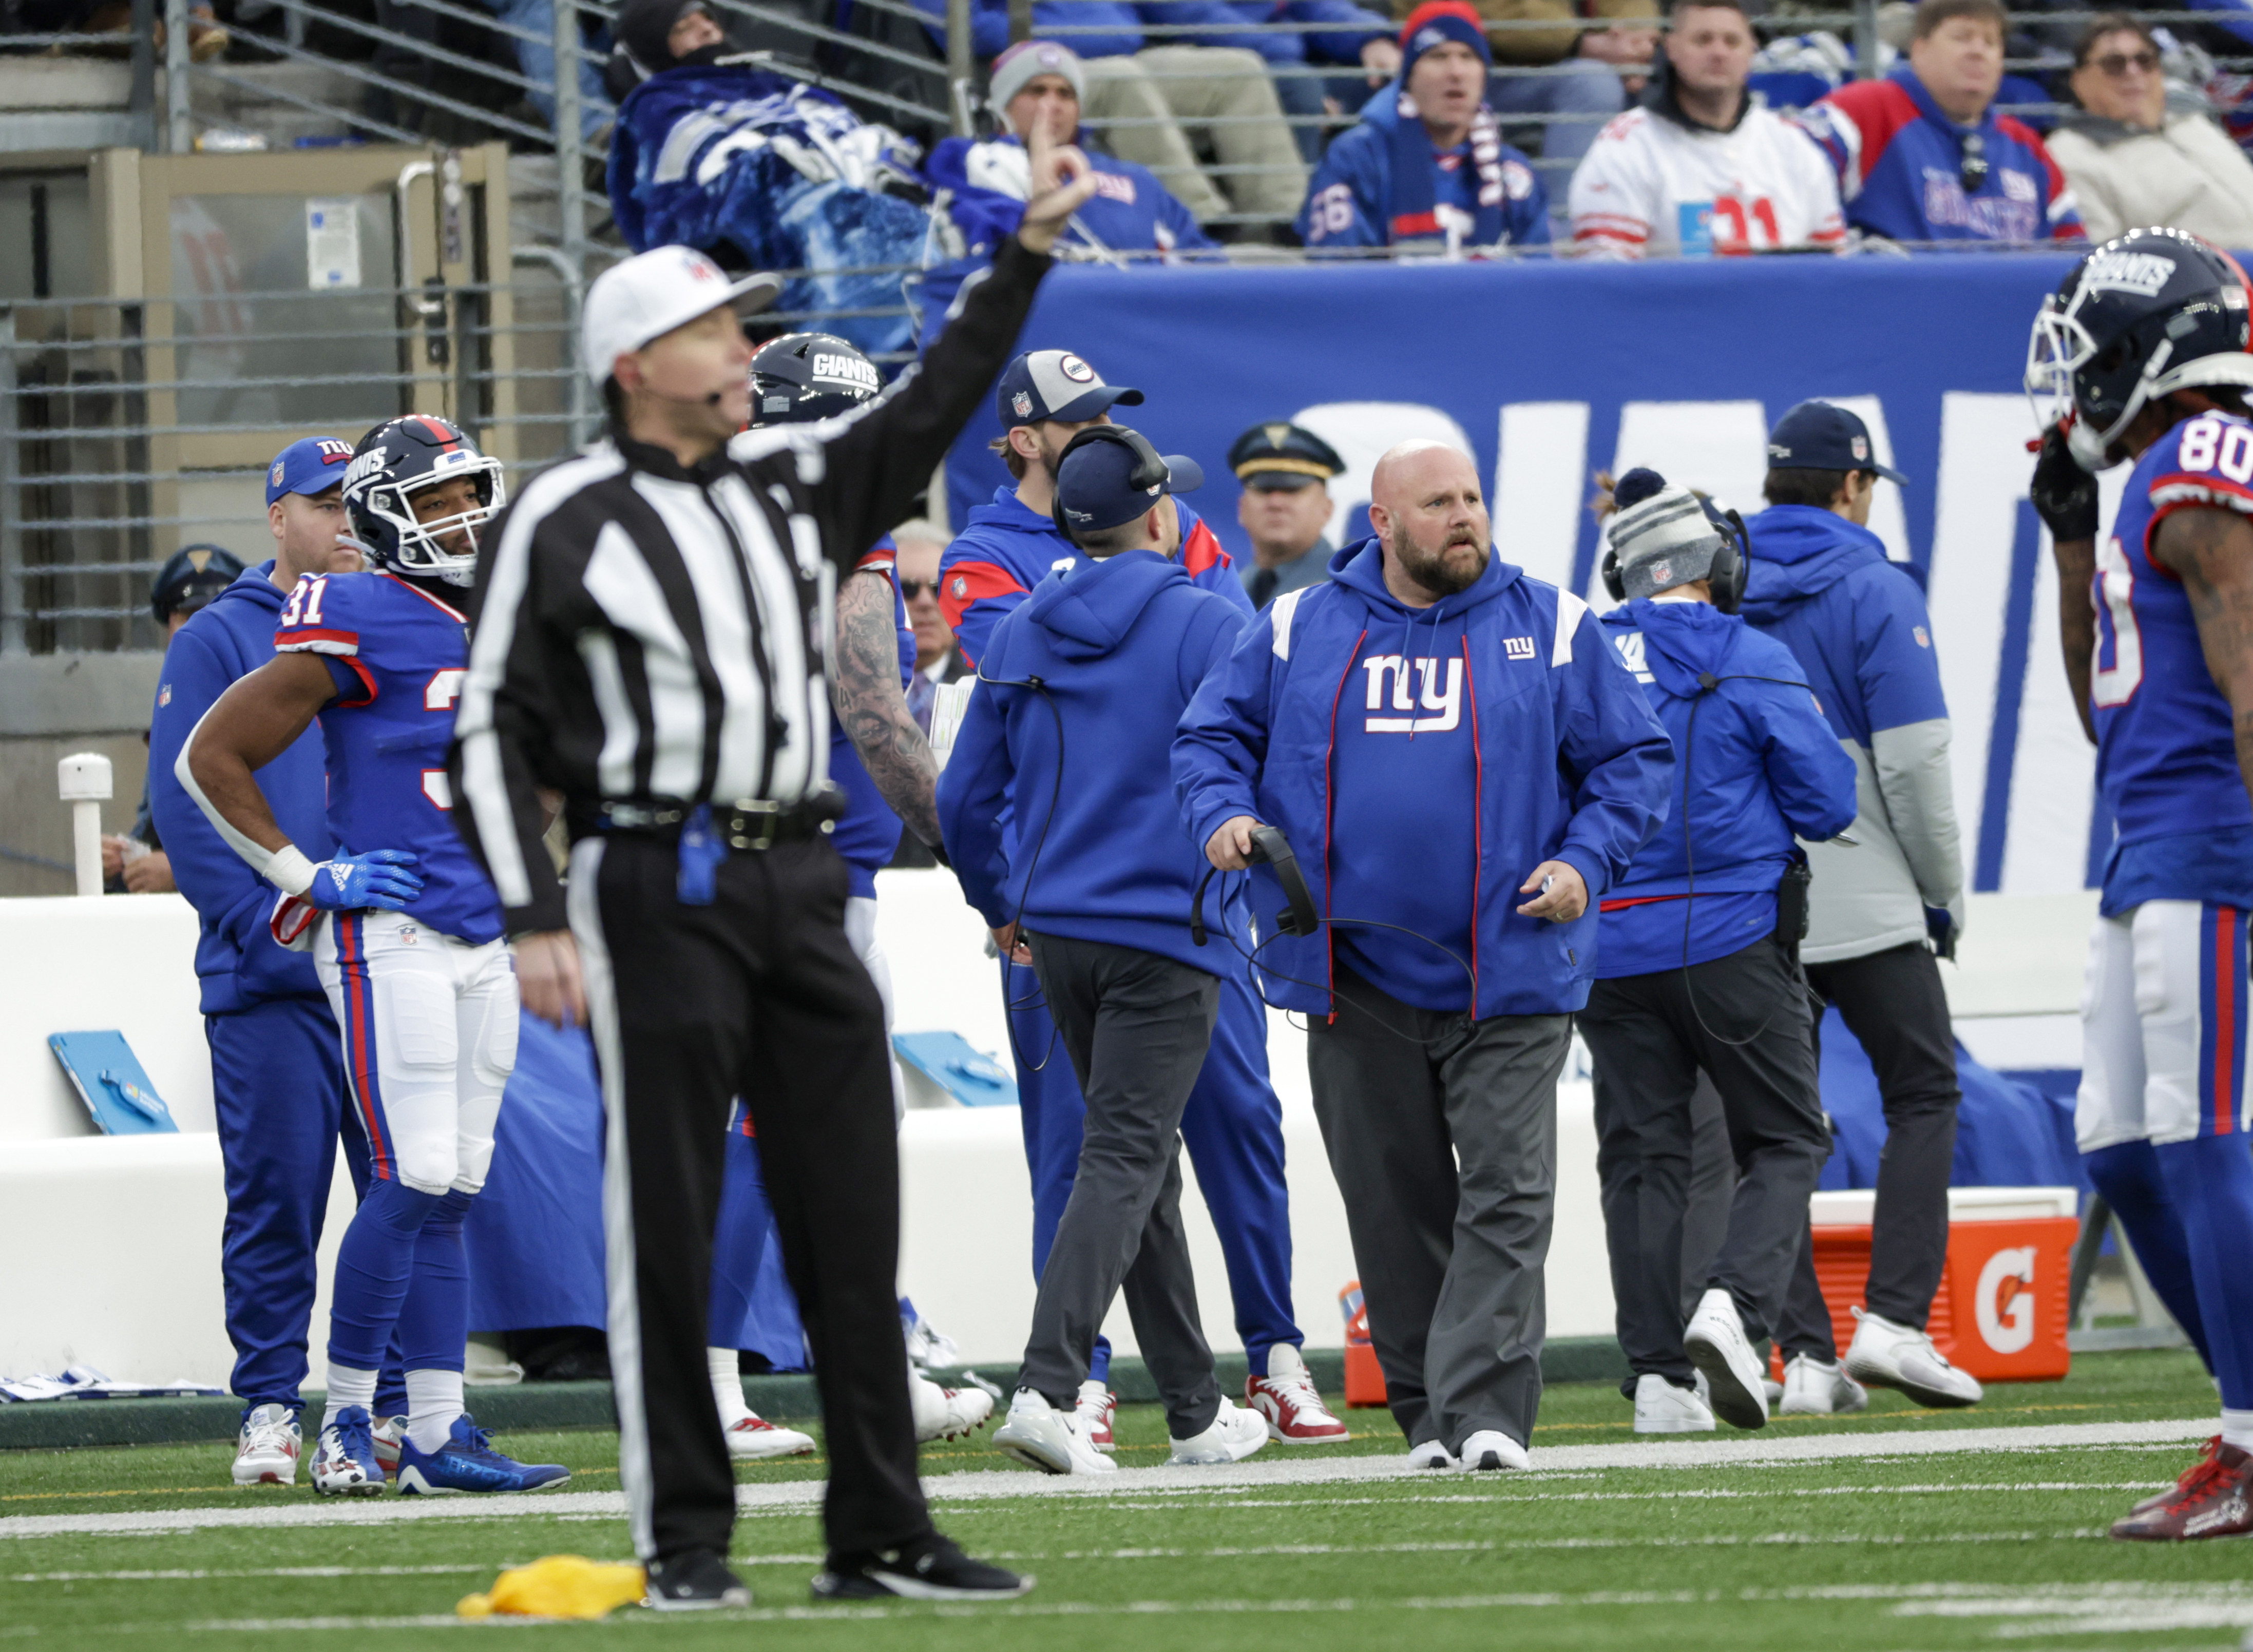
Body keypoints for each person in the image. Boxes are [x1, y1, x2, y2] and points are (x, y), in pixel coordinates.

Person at [447, 136, 1099, 1603]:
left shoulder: (787, 483)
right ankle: (684, 1541)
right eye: (710, 329)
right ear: (636, 363)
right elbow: (487, 730)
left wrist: (1030, 253)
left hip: (798, 875)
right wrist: (531, 912)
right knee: (666, 1218)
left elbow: (934, 401)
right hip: (651, 878)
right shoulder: (561, 515)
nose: (742, 344)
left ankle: (880, 1524)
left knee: (849, 1211)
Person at [1174, 440, 1673, 1471]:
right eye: (1438, 502)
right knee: (1393, 1202)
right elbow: (1208, 738)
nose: (1465, 517)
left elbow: (1633, 760)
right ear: (1384, 521)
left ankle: (1486, 1411)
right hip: (1349, 972)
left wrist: (1585, 862)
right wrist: (1221, 814)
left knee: (1506, 1188)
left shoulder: (1557, 622)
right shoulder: (1294, 628)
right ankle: (1429, 1419)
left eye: (1474, 497)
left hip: (1515, 966)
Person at [940, 350, 1346, 1453]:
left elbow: (963, 795)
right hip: (1170, 929)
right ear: (1155, 515)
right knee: (1128, 1155)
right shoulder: (1209, 622)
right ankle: (1048, 1381)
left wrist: (1000, 905)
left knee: (1139, 1162)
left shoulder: (1021, 625)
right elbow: (1275, 768)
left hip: (1057, 934)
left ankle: (1196, 1408)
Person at [178, 416, 566, 1501]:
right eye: (438, 500)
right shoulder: (352, 610)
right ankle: (348, 1418)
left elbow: (541, 776)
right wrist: (307, 875)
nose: (464, 516)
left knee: (455, 1189)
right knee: (410, 1179)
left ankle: (435, 1433)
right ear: (386, 516)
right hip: (390, 934)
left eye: (470, 492)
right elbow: (216, 753)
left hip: (485, 932)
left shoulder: (509, 612)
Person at [702, 331, 992, 1456]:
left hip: (711, 864)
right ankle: (724, 1383)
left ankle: (856, 1360)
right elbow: (877, 720)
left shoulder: (698, 524)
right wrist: (979, 862)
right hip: (803, 882)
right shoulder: (827, 539)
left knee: (768, 1138)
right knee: (810, 1138)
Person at [2025, 227, 2253, 1541]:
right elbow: (2100, 711)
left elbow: (2242, 659)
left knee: (2199, 1126)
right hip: (2143, 838)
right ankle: (2236, 1408)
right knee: (2115, 1139)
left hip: (2211, 840)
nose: (2072, 378)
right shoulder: (2148, 473)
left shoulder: (2209, 450)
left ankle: (2245, 1435)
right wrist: (2066, 542)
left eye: (2087, 349)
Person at [1581, 470, 1858, 1435]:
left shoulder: (1571, 656)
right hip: (1732, 937)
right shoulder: (1749, 653)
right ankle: (1734, 1307)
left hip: (1604, 950)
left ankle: (1658, 1381)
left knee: (1641, 1162)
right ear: (1717, 564)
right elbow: (1829, 803)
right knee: (1785, 1138)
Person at [144, 441, 389, 1488]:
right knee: (277, 1199)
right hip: (273, 979)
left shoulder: (393, 618)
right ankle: (271, 1407)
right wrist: (265, 923)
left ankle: (372, 1411)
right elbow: (182, 799)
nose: (340, 520)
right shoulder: (217, 635)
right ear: (275, 514)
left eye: (354, 504)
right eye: (320, 503)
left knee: (403, 1195)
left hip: (385, 965)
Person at [1737, 399, 1980, 1412]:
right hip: (1872, 895)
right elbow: (1916, 762)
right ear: (1852, 486)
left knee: (1776, 1126)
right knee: (1924, 1091)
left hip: (1755, 904)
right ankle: (1894, 1322)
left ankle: (1802, 1357)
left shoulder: (1725, 583)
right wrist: (1941, 894)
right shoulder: (1875, 587)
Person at [909, 4, 1308, 224]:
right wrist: (1055, 42)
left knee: (1238, 71)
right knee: (1123, 81)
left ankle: (1287, 223)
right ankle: (1203, 224)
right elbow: (963, 27)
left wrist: (1284, 48)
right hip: (1036, 67)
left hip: (1127, 51)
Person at [918, 43, 1216, 335]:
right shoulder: (970, 161)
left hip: (1140, 325)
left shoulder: (1134, 179)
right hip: (1036, 324)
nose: (1052, 105)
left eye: (1066, 93)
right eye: (1036, 91)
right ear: (1002, 105)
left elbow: (1201, 260)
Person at [1569, 0, 1845, 256]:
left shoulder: (1793, 146)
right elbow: (1607, 284)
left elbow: (1831, 274)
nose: (1718, 53)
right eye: (1703, 40)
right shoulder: (1626, 146)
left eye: (1732, 41)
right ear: (1671, 48)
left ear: (1752, 50)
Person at [1798, 0, 2083, 245]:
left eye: (1991, 42)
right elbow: (1788, 171)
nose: (1978, 51)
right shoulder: (1867, 109)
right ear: (1919, 50)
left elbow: (2072, 253)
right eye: (1962, 37)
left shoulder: (2029, 149)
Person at [1300, 2, 1552, 254]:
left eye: (1469, 57)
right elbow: (1341, 276)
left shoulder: (1514, 173)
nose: (1456, 72)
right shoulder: (1356, 159)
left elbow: (1541, 280)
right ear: (1409, 77)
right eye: (1438, 57)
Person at [107, 546, 249, 896]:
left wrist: (180, 871)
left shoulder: (266, 705)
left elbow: (290, 830)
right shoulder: (173, 710)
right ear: (170, 629)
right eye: (188, 617)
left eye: (213, 615)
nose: (202, 630)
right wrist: (123, 857)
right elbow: (160, 824)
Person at [2046, 14, 2253, 247]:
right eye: (2114, 64)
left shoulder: (2192, 122)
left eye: (2145, 61)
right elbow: (2100, 261)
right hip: (2210, 278)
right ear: (2079, 81)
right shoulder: (2069, 154)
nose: (2133, 72)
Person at [1409, 0, 1654, 167]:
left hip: (1557, 66)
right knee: (1593, 83)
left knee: (1654, 78)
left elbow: (1631, 8)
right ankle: (1564, 232)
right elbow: (1503, 15)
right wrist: (1581, 44)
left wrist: (1635, 42)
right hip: (1474, 69)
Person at [1230, 420, 1346, 609]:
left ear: (1327, 509)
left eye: (1292, 490)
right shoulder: (1230, 590)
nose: (1276, 503)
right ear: (1242, 508)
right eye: (1264, 490)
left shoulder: (1350, 586)